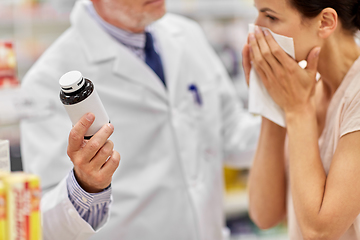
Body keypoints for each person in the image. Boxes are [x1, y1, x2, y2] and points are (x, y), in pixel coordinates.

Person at [20, 0, 260, 239]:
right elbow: (44, 223)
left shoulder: (188, 35)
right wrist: (84, 185)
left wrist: (289, 110)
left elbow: (232, 134)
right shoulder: (45, 81)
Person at [243, 0, 360, 239]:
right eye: (257, 14)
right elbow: (264, 214)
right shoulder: (306, 92)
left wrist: (297, 110)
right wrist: (270, 100)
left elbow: (320, 231)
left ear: (325, 23)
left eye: (271, 17)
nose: (256, 28)